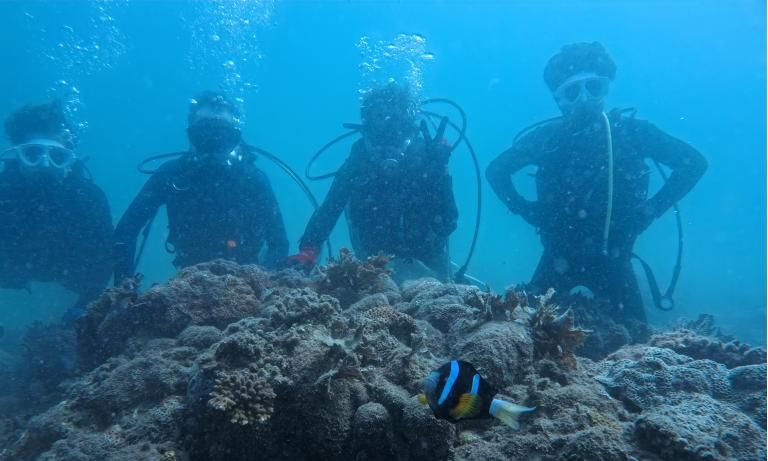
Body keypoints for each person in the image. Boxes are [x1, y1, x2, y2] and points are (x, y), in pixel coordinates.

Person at [487, 42, 707, 328]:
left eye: (594, 87)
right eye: (572, 91)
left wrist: (650, 210)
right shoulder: (548, 139)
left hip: (615, 261)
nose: (584, 99)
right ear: (559, 99)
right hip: (558, 257)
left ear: (606, 89)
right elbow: (497, 171)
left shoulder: (633, 134)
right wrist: (527, 211)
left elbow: (693, 163)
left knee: (634, 347)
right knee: (524, 337)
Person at [113, 91, 289, 282]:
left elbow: (278, 243)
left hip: (246, 277)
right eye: (203, 134)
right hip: (188, 277)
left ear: (235, 137)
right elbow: (125, 232)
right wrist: (124, 291)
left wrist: (262, 284)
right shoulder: (171, 175)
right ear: (191, 134)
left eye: (222, 136)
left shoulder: (253, 179)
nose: (212, 143)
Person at [290, 82, 458, 281]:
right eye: (379, 117)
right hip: (371, 267)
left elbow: (447, 224)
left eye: (395, 118)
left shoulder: (426, 155)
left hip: (429, 263)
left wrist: (440, 173)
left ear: (407, 119)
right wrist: (309, 248)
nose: (388, 126)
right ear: (367, 120)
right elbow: (331, 206)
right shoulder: (360, 157)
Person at [0, 100, 114, 314]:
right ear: (17, 154)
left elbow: (106, 257)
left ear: (69, 157)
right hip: (13, 274)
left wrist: (86, 303)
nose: (45, 165)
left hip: (69, 275)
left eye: (57, 157)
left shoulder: (90, 197)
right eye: (32, 154)